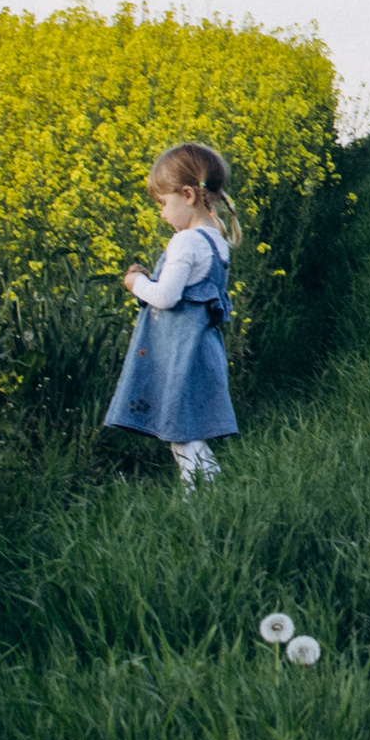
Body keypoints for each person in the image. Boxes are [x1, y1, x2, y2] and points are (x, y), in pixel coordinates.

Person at [104, 142, 241, 487]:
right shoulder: (216, 239)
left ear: (189, 195)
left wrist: (136, 282)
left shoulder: (186, 242)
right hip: (202, 348)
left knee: (180, 430)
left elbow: (165, 296)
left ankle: (203, 493)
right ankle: (207, 491)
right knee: (185, 430)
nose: (162, 214)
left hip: (179, 352)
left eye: (164, 204)